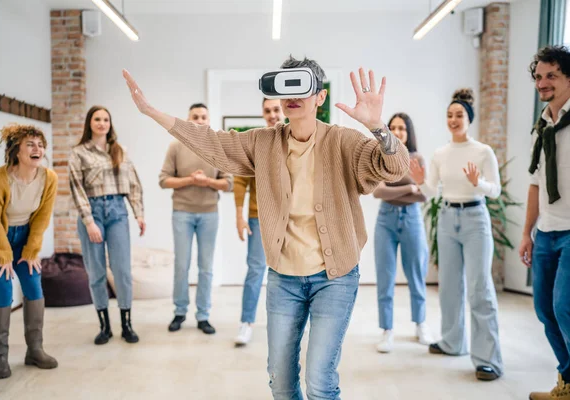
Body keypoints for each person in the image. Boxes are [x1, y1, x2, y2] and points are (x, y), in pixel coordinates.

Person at [124, 56, 409, 399]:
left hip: (334, 278)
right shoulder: (262, 142)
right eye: (285, 84)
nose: (292, 94)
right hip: (284, 278)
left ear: (320, 96)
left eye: (301, 85)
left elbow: (394, 168)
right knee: (280, 381)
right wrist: (153, 113)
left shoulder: (343, 141)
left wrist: (378, 126)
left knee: (320, 380)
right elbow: (212, 142)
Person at [410, 88, 503, 381]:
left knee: (480, 288)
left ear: (469, 118)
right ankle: (452, 342)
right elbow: (429, 191)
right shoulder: (440, 153)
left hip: (476, 218)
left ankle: (488, 359)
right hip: (448, 218)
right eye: (449, 115)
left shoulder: (483, 152)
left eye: (459, 115)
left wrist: (479, 183)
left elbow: (496, 190)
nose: (453, 119)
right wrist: (419, 181)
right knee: (449, 286)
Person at [0, 124, 58, 379]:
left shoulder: (48, 178)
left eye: (40, 144)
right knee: (4, 290)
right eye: (30, 144)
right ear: (16, 151)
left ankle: (35, 350)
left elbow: (42, 217)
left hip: (23, 239)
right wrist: (4, 255)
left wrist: (31, 250)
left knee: (33, 286)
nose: (37, 149)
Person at [69, 105, 145, 345]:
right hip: (92, 212)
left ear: (110, 124)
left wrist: (139, 214)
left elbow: (133, 184)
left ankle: (126, 324)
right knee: (96, 272)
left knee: (122, 270)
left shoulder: (119, 150)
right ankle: (104, 326)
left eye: (106, 119)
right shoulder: (79, 153)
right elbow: (76, 189)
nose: (102, 123)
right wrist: (89, 221)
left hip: (117, 212)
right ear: (89, 123)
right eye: (97, 119)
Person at [519, 46, 570, 400]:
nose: (542, 82)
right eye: (538, 76)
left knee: (564, 307)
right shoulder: (542, 128)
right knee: (544, 310)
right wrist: (526, 232)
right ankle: (567, 380)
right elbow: (536, 182)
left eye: (551, 75)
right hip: (546, 232)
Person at [159, 103, 233, 335]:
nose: (199, 120)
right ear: (188, 120)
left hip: (209, 213)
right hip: (182, 212)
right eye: (195, 117)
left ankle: (203, 315)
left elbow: (228, 184)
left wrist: (207, 182)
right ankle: (180, 312)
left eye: (203, 117)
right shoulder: (175, 146)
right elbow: (164, 180)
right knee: (182, 265)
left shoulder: (218, 148)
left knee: (206, 267)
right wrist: (190, 180)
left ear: (208, 120)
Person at [372, 112, 433, 353]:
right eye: (393, 128)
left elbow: (424, 194)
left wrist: (395, 189)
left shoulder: (417, 158)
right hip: (385, 220)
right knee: (385, 277)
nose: (397, 132)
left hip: (412, 219)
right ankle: (387, 330)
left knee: (416, 275)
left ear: (409, 133)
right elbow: (378, 192)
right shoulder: (381, 157)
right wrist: (409, 187)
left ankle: (421, 324)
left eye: (402, 128)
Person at [233, 98, 284, 346]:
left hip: (289, 219)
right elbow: (241, 180)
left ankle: (287, 323)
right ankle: (246, 322)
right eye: (268, 111)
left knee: (288, 273)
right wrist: (239, 215)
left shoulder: (297, 139)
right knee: (256, 270)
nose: (272, 114)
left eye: (276, 109)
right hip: (258, 217)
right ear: (263, 114)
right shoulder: (256, 142)